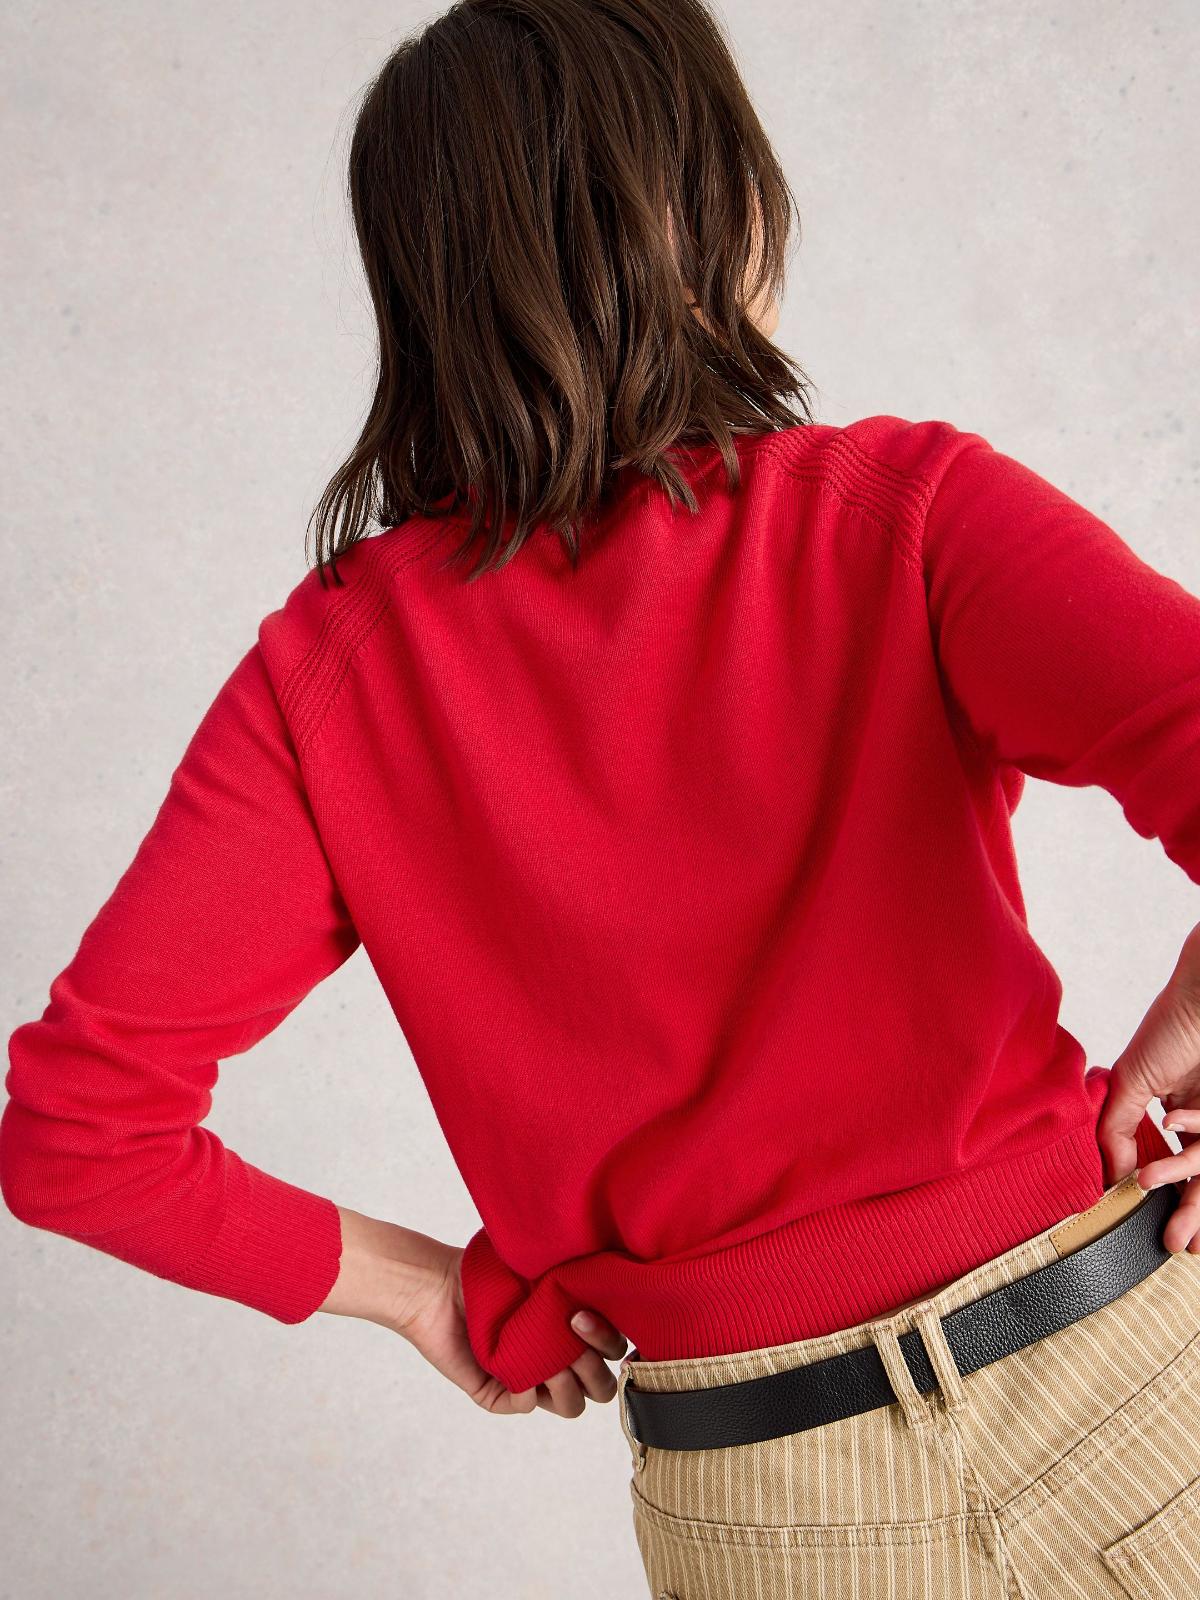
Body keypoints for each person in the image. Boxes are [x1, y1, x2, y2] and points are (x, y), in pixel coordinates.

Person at [5, 1, 1200, 1592]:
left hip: (774, 1508)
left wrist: (427, 1290)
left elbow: (79, 1138)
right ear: (718, 205)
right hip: (1131, 1379)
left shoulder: (327, 684)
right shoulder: (898, 514)